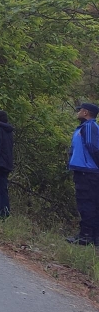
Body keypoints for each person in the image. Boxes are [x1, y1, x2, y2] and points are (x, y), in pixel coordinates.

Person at [66, 103, 99, 245]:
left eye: (79, 110)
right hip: (84, 171)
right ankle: (93, 237)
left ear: (85, 112)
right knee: (89, 203)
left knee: (87, 204)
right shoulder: (83, 128)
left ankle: (86, 236)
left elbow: (94, 147)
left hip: (88, 172)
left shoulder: (89, 127)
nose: (77, 112)